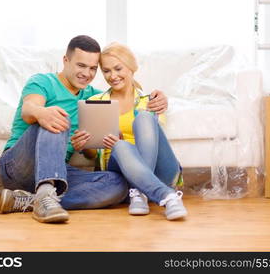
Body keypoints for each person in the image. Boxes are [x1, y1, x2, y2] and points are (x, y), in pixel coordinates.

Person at [0, 35, 168, 223]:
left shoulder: (94, 98)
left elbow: (123, 96)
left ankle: (32, 201)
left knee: (118, 185)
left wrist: (158, 98)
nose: (87, 73)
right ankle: (44, 195)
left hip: (58, 173)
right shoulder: (43, 81)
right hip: (18, 168)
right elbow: (28, 110)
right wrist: (42, 113)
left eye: (93, 68)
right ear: (65, 60)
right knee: (57, 117)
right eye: (81, 66)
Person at [71, 42, 187, 221]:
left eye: (118, 69)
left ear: (132, 68)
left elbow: (155, 138)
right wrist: (85, 145)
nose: (113, 76)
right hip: (122, 173)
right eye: (107, 71)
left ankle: (140, 191)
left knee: (144, 117)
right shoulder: (96, 101)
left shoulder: (152, 100)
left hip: (160, 171)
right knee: (120, 146)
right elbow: (92, 154)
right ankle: (163, 196)